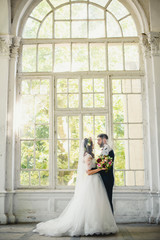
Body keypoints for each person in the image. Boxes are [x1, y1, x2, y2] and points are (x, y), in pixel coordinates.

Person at [32, 137, 119, 237]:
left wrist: (100, 166)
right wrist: (100, 169)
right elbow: (88, 172)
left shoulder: (90, 155)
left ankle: (97, 225)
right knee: (91, 204)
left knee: (95, 204)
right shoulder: (88, 156)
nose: (94, 144)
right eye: (92, 143)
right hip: (91, 182)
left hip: (95, 182)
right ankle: (90, 226)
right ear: (89, 145)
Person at [93, 133, 115, 214]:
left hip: (107, 179)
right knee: (104, 201)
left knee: (108, 200)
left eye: (99, 140)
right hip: (105, 178)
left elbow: (104, 166)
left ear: (104, 139)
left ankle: (110, 220)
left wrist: (92, 170)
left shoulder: (107, 149)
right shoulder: (104, 149)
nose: (97, 142)